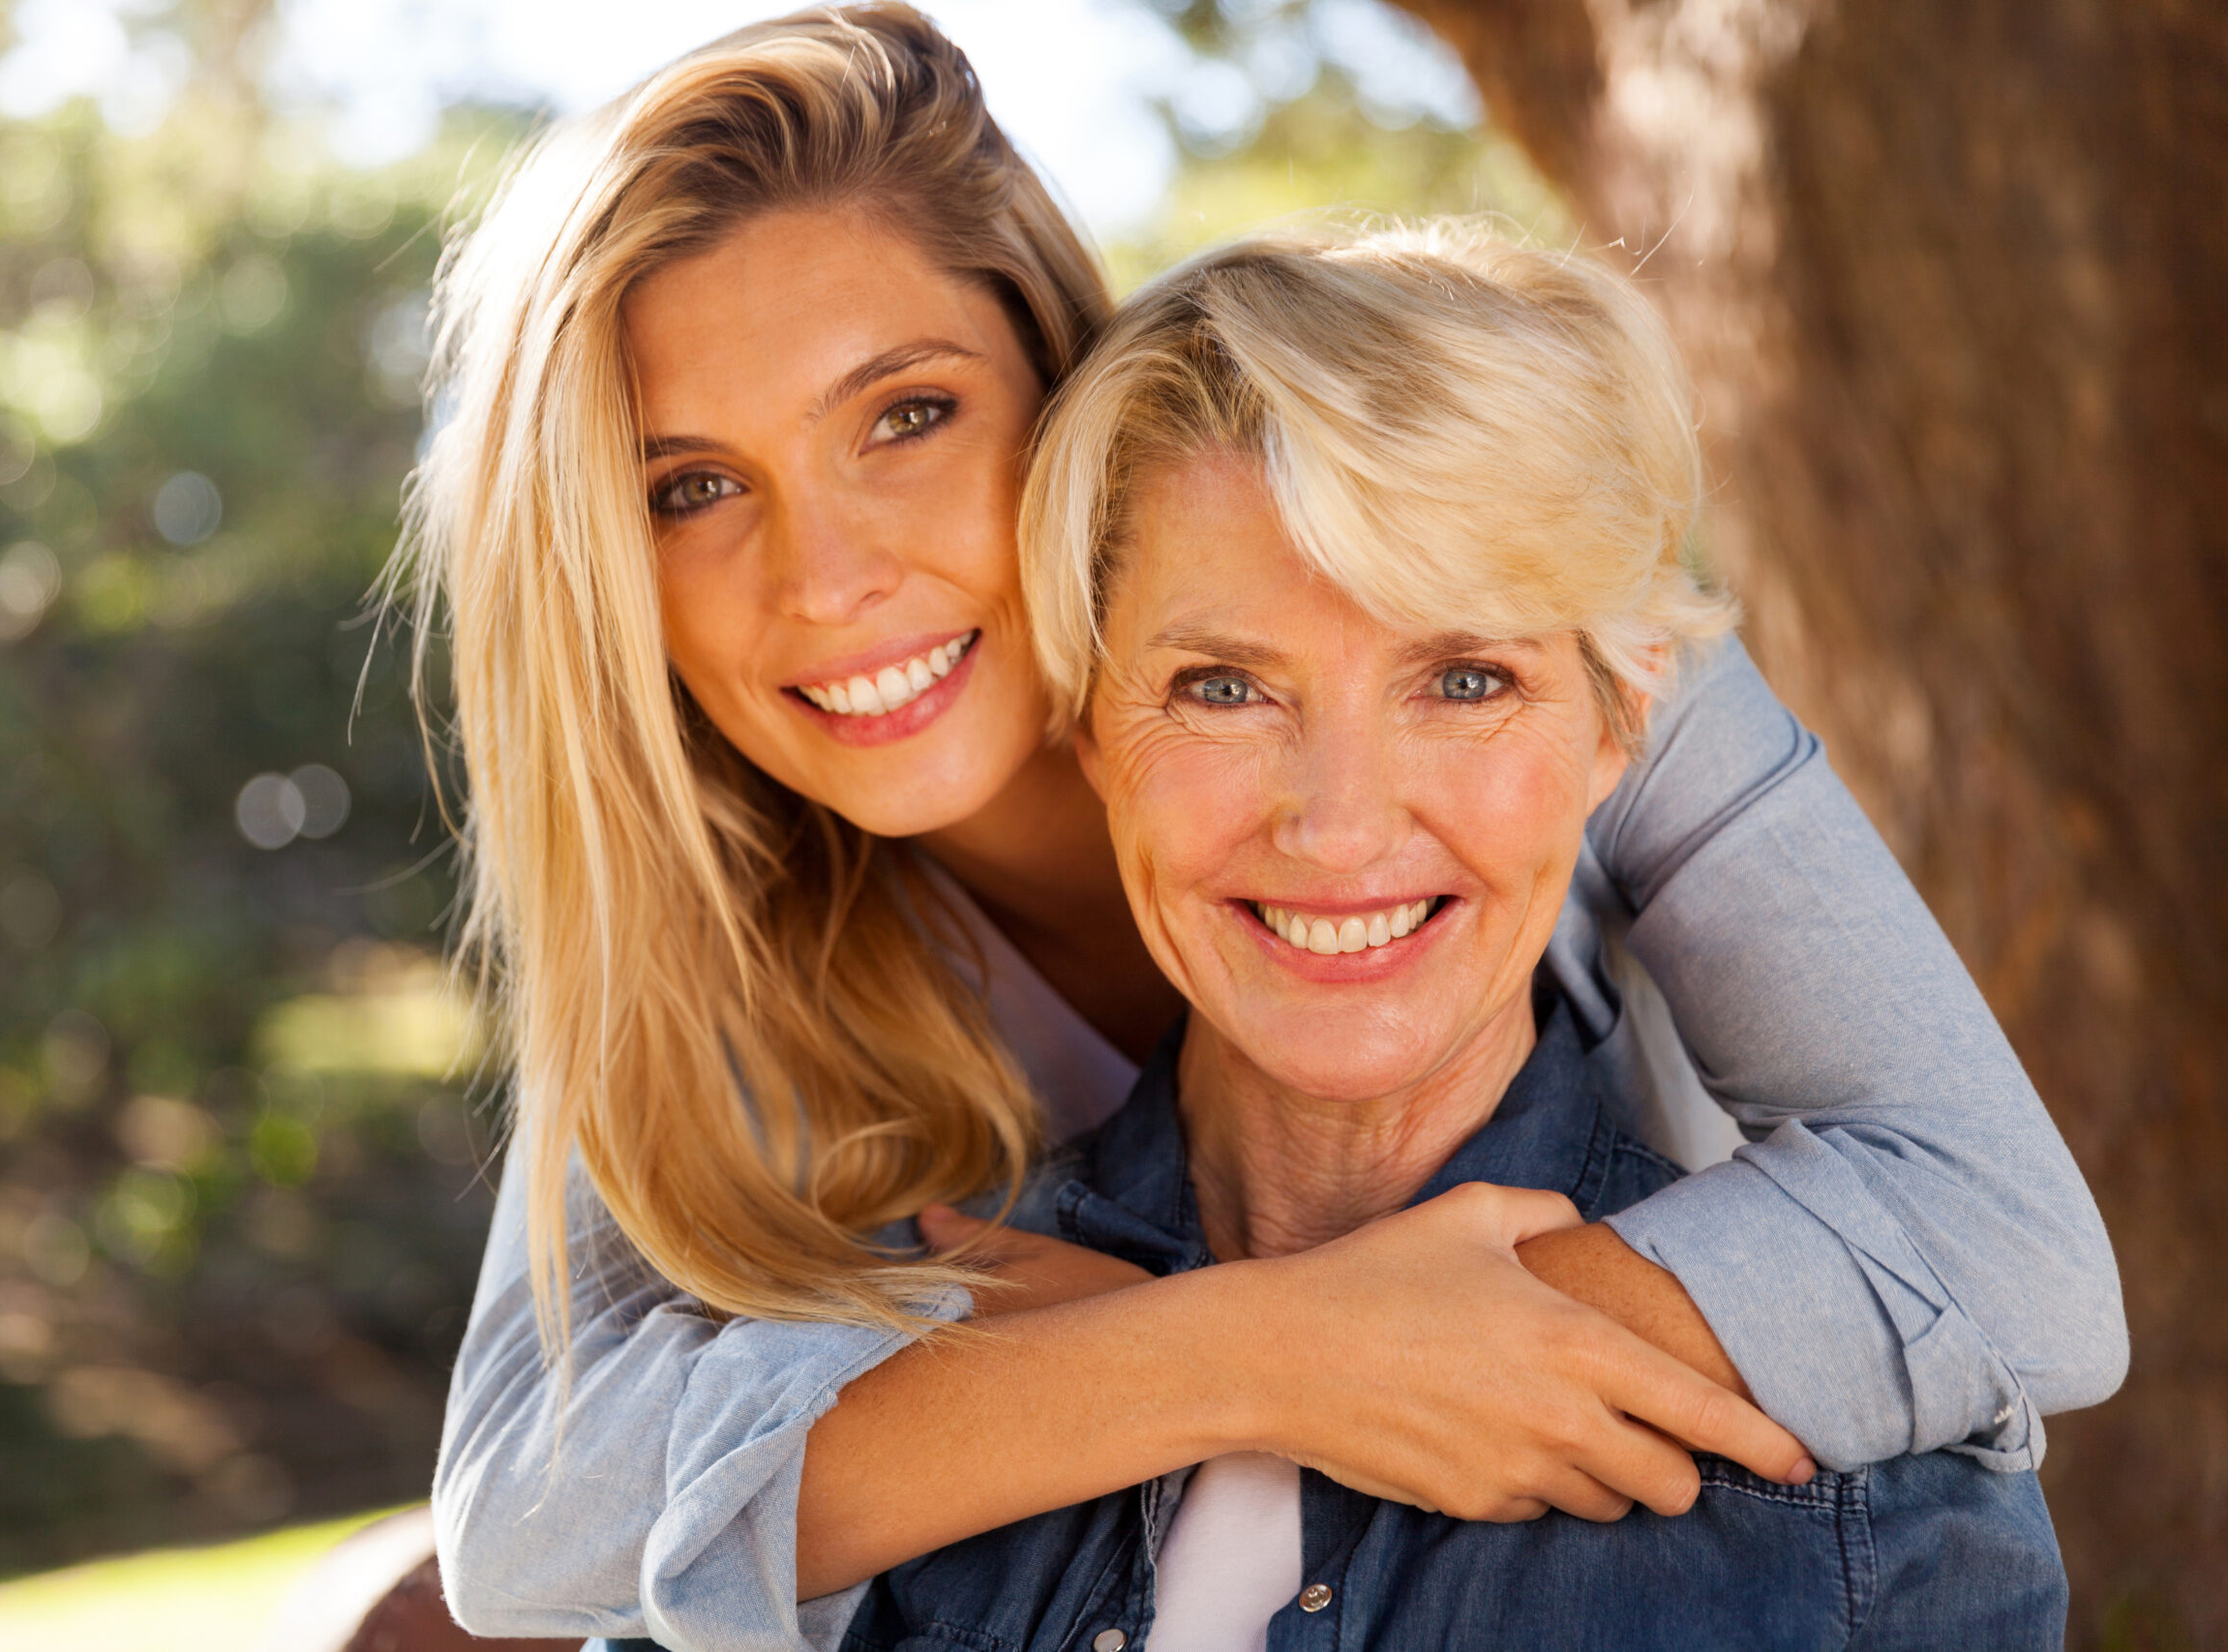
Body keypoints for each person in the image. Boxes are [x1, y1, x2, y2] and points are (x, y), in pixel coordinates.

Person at [399, 8, 2123, 1644]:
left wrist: (1159, 1353)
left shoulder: (1497, 585)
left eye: (906, 416)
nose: (828, 574)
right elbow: (530, 1512)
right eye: (691, 488)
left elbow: (2012, 1253)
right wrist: (1258, 1355)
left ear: (1054, 388)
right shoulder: (710, 892)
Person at [834, 220, 2067, 1652]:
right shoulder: (868, 1380)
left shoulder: (1873, 1487)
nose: (1342, 826)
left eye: (1466, 678)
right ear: (1087, 730)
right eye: (1224, 687)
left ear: (1622, 722)